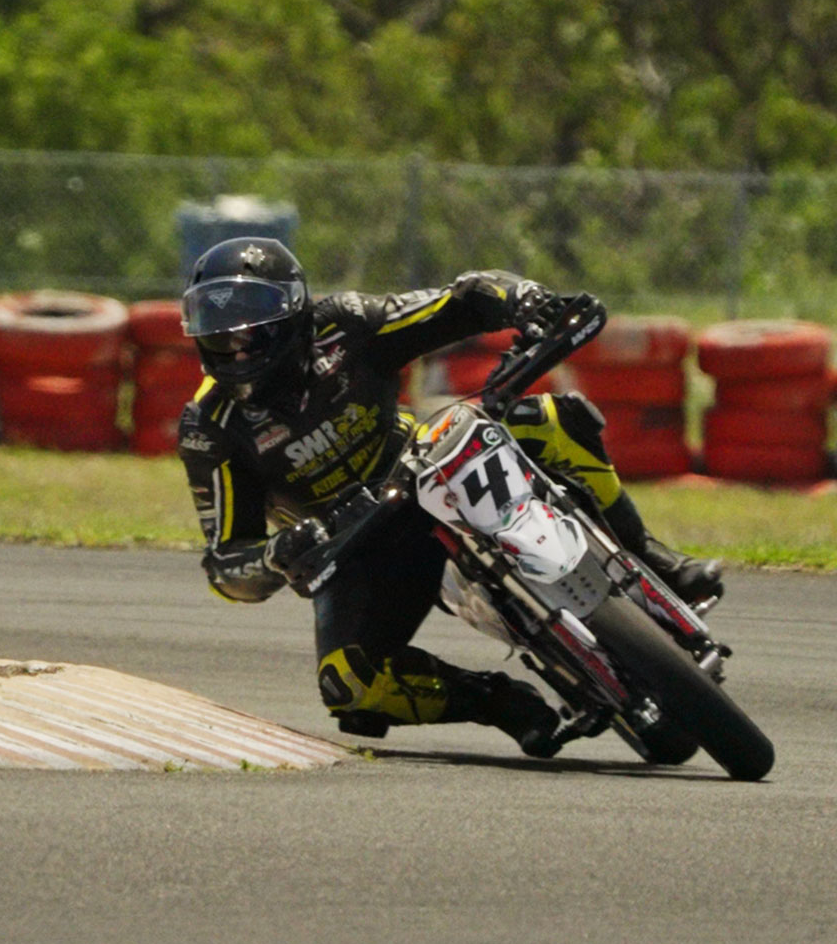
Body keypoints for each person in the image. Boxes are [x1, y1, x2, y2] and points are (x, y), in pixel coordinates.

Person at [176, 236, 722, 754]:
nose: (235, 342)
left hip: (429, 467)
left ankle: (649, 556)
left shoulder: (345, 324)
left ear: (294, 308)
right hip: (357, 546)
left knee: (553, 419)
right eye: (216, 326)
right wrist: (278, 554)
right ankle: (494, 701)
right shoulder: (210, 425)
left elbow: (461, 300)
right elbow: (226, 566)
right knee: (349, 685)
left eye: (250, 322)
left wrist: (524, 300)